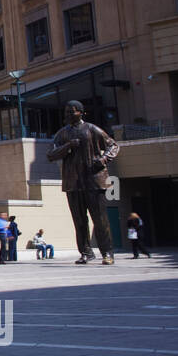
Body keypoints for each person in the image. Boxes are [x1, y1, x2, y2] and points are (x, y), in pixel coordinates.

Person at [46, 100, 120, 264]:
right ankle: (86, 252)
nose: (68, 115)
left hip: (93, 181)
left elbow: (113, 145)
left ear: (81, 112)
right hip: (73, 183)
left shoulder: (91, 129)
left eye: (71, 112)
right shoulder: (62, 134)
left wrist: (103, 159)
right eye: (66, 112)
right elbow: (51, 155)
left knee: (100, 220)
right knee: (79, 220)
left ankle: (107, 253)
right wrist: (68, 146)